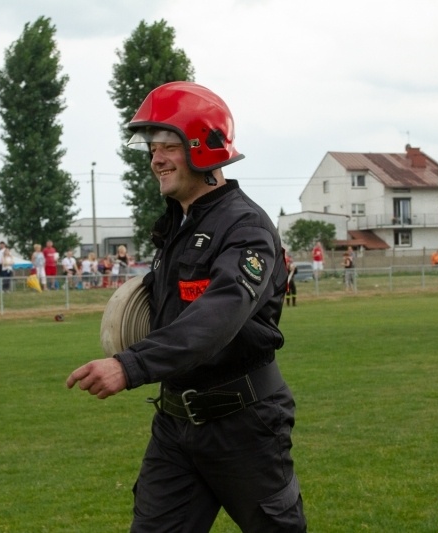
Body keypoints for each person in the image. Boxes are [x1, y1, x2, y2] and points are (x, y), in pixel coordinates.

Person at [66, 81, 306, 532]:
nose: (156, 159)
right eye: (151, 148)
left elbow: (217, 316)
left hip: (244, 425)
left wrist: (130, 365)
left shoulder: (246, 228)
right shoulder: (178, 224)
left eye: (168, 146)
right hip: (175, 422)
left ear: (203, 147)